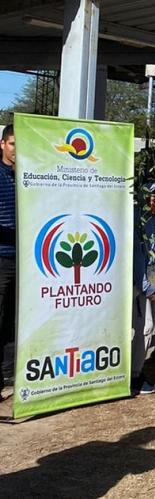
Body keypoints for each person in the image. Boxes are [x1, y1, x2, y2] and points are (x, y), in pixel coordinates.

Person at [130, 184, 155, 396]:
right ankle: (134, 374)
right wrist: (145, 286)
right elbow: (137, 256)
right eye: (152, 199)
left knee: (148, 330)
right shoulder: (136, 221)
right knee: (144, 328)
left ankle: (138, 370)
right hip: (141, 285)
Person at [0, 124, 13, 394]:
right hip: (2, 258)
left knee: (16, 316)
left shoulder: (28, 175)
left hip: (29, 260)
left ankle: (10, 372)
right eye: (13, 143)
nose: (17, 150)